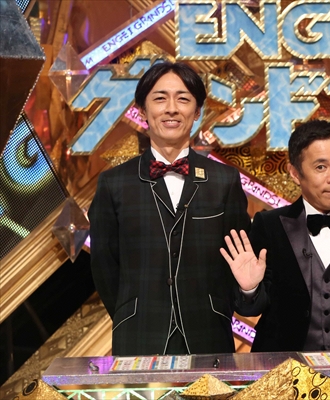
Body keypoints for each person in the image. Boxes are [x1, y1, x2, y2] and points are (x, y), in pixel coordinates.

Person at [88, 61, 251, 356]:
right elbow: (104, 268)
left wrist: (225, 304)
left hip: (208, 334)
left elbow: (239, 257)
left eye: (183, 99)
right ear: (142, 110)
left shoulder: (224, 181)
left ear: (197, 112)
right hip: (138, 336)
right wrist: (131, 314)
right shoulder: (114, 183)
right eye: (160, 98)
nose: (172, 109)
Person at [222, 120, 330, 352]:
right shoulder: (269, 225)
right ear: (295, 173)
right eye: (321, 167)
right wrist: (249, 289)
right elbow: (249, 309)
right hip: (282, 367)